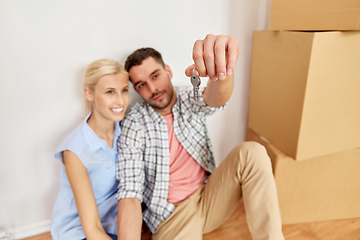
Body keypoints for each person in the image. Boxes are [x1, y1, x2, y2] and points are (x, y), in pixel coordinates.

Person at [116, 34, 285, 240]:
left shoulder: (188, 97)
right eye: (142, 84)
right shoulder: (134, 122)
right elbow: (130, 193)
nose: (153, 89)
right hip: (171, 215)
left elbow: (214, 100)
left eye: (155, 76)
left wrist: (220, 74)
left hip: (209, 197)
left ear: (167, 71)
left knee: (252, 152)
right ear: (136, 89)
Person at [51, 59, 130, 240]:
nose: (120, 100)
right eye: (110, 92)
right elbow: (92, 229)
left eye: (124, 90)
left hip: (114, 224)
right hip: (79, 232)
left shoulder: (127, 130)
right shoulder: (75, 150)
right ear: (89, 93)